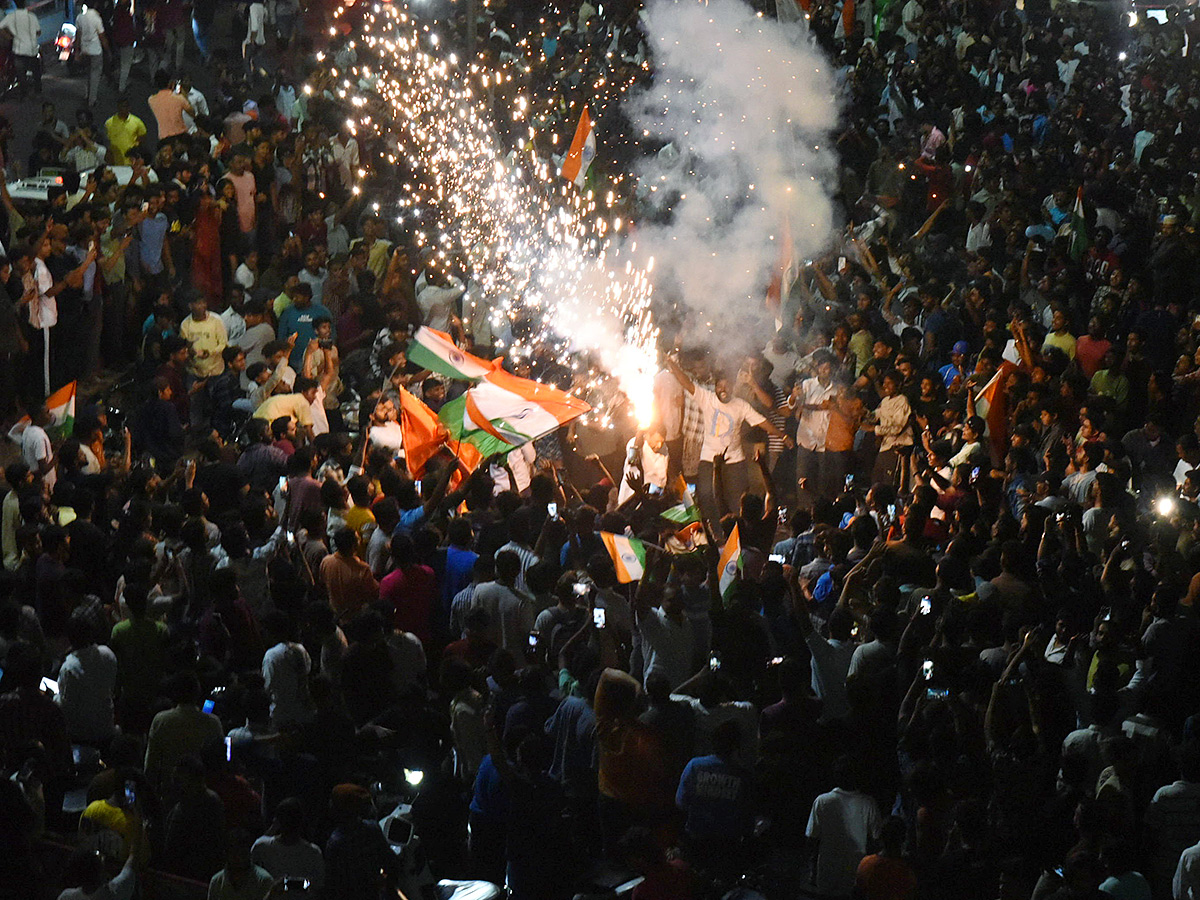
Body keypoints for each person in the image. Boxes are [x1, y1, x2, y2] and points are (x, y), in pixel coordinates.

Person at [74, 3, 109, 108]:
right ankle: (92, 100)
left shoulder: (80, 17)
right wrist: (108, 50)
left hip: (85, 50)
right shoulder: (96, 18)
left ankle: (87, 94)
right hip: (96, 51)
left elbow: (78, 36)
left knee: (88, 74)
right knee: (95, 75)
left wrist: (77, 51)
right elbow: (102, 37)